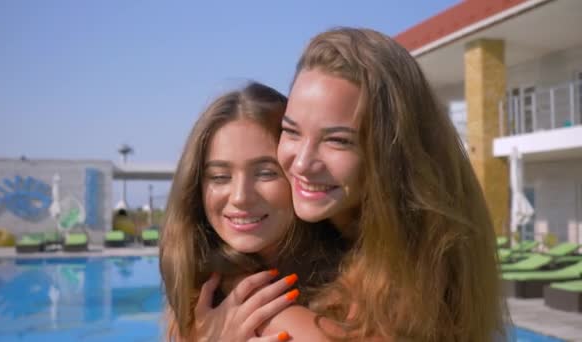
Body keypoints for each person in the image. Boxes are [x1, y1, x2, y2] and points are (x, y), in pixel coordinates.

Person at [198, 27, 507, 341]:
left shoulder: (418, 259)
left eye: (337, 141)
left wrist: (244, 297)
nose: (302, 163)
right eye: (292, 132)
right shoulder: (326, 228)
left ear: (391, 154)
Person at [159, 82, 344, 341]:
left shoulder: (358, 274)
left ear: (300, 174)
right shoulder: (203, 297)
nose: (240, 197)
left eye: (266, 173)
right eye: (220, 176)